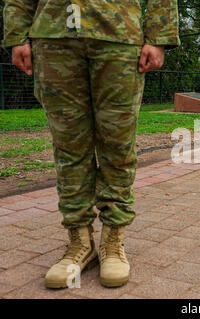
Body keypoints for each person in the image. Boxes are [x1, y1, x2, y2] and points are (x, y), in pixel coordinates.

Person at [3, 0, 180, 289]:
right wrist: (16, 35)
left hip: (119, 34)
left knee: (118, 146)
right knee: (69, 147)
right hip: (53, 35)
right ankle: (79, 243)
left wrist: (159, 37)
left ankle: (113, 241)